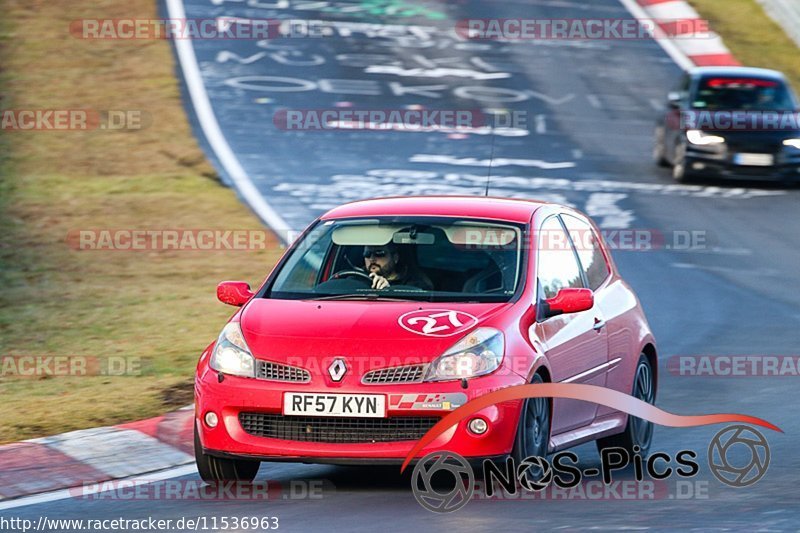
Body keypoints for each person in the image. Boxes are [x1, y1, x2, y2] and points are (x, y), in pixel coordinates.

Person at [362, 243, 433, 290]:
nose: (372, 259)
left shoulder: (414, 282)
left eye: (379, 254)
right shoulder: (357, 276)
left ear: (395, 258)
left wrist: (389, 290)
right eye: (367, 254)